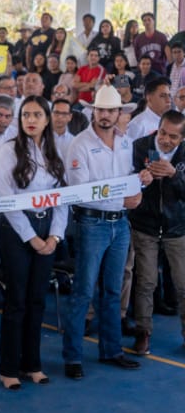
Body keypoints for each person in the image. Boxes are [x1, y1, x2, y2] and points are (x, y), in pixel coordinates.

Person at [63, 85, 151, 378]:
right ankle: (73, 357)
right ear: (94, 112)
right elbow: (79, 192)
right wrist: (125, 197)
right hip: (93, 223)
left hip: (119, 222)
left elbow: (124, 180)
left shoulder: (126, 144)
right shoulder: (79, 144)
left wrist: (139, 183)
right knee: (84, 291)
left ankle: (110, 351)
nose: (105, 115)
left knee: (112, 291)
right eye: (100, 110)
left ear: (118, 113)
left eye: (110, 110)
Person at [0, 95, 67, 390]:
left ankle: (32, 364)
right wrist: (33, 238)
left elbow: (64, 197)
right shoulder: (8, 150)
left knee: (38, 300)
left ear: (47, 119)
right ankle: (8, 368)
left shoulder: (54, 150)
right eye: (25, 115)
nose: (31, 120)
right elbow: (6, 200)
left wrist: (55, 235)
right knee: (17, 301)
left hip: (47, 227)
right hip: (16, 230)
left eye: (37, 114)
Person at [129, 110, 185, 356]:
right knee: (146, 282)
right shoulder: (140, 146)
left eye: (173, 136)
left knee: (183, 285)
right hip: (145, 225)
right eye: (163, 132)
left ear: (181, 139)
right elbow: (126, 181)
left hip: (177, 227)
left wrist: (175, 175)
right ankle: (143, 332)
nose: (165, 140)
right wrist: (140, 180)